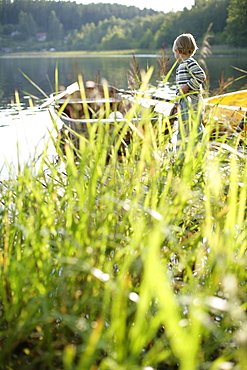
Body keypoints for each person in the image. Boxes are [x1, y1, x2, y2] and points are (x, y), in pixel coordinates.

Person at [170, 33, 206, 149]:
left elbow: (201, 76)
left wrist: (187, 87)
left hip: (192, 101)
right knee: (183, 128)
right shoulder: (182, 65)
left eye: (174, 52)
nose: (174, 55)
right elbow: (179, 87)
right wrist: (177, 102)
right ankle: (182, 155)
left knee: (194, 128)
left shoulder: (189, 62)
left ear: (179, 51)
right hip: (183, 102)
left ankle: (197, 152)